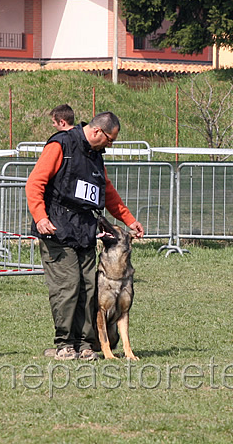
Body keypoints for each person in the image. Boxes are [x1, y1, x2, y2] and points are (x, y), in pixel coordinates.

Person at [25, 111, 144, 361]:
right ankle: (65, 345)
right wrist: (40, 217)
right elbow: (35, 182)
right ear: (98, 131)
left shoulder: (95, 156)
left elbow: (107, 192)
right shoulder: (61, 144)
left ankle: (86, 344)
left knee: (90, 288)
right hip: (56, 227)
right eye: (110, 140)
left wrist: (129, 220)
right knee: (68, 287)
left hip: (84, 228)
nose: (110, 145)